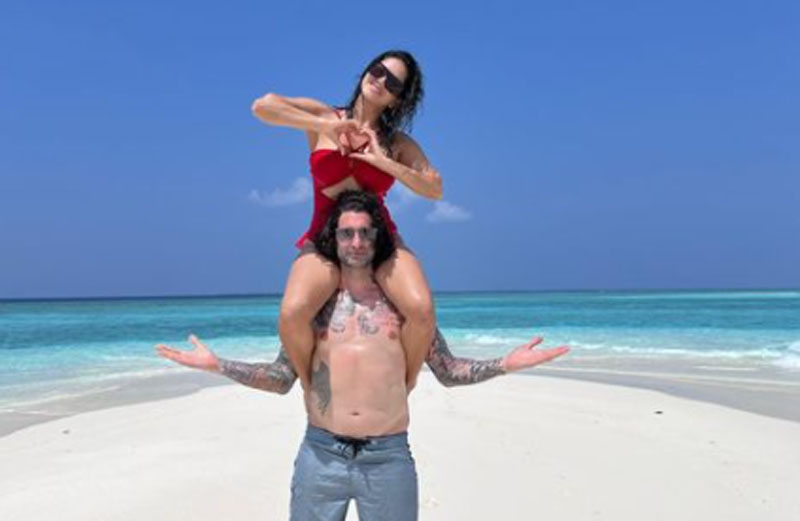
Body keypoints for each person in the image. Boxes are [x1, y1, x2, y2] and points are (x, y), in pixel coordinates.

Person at [156, 191, 569, 521]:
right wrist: (219, 365)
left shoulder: (401, 309)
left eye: (364, 233)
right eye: (346, 233)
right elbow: (282, 378)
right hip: (321, 454)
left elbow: (447, 369)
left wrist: (504, 364)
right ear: (333, 239)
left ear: (377, 237)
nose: (356, 242)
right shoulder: (316, 309)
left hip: (387, 457)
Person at [251, 50, 440, 393]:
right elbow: (263, 107)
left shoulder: (396, 143)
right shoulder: (324, 116)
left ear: (398, 100)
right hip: (322, 239)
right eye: (378, 70)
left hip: (379, 240)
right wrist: (326, 127)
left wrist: (383, 161)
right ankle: (311, 389)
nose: (381, 81)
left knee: (422, 310)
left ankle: (405, 385)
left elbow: (434, 188)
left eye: (393, 82)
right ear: (366, 70)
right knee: (292, 314)